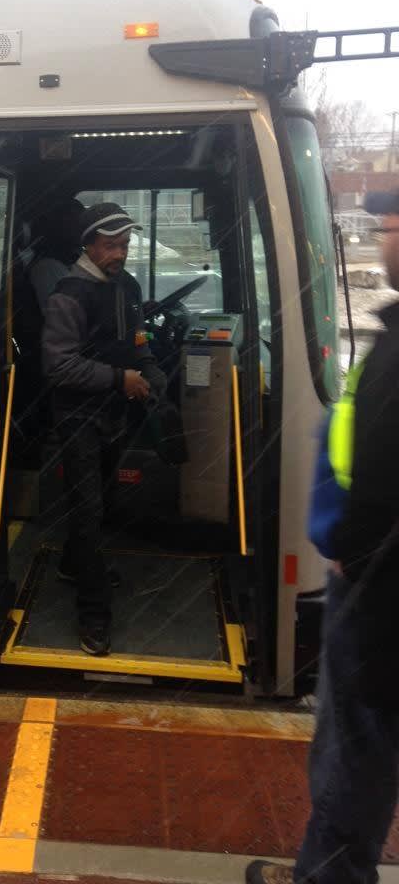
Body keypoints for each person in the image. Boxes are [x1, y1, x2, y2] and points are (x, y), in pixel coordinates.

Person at [246, 186, 399, 884]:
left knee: (353, 750)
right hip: (372, 574)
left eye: (391, 224)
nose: (384, 237)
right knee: (357, 750)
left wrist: (354, 553)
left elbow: (377, 466)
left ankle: (329, 875)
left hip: (375, 586)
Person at [41, 201, 166, 656]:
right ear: (89, 245)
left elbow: (135, 339)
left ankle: (76, 565)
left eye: (126, 245)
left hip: (114, 415)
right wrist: (119, 379)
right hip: (78, 418)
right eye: (111, 245)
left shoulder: (125, 286)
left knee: (104, 501)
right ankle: (94, 617)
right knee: (89, 512)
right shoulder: (68, 294)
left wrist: (150, 369)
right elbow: (58, 366)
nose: (121, 253)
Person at [28, 196, 85, 313]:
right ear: (60, 227)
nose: (83, 229)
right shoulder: (47, 267)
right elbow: (65, 316)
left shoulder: (75, 257)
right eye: (76, 223)